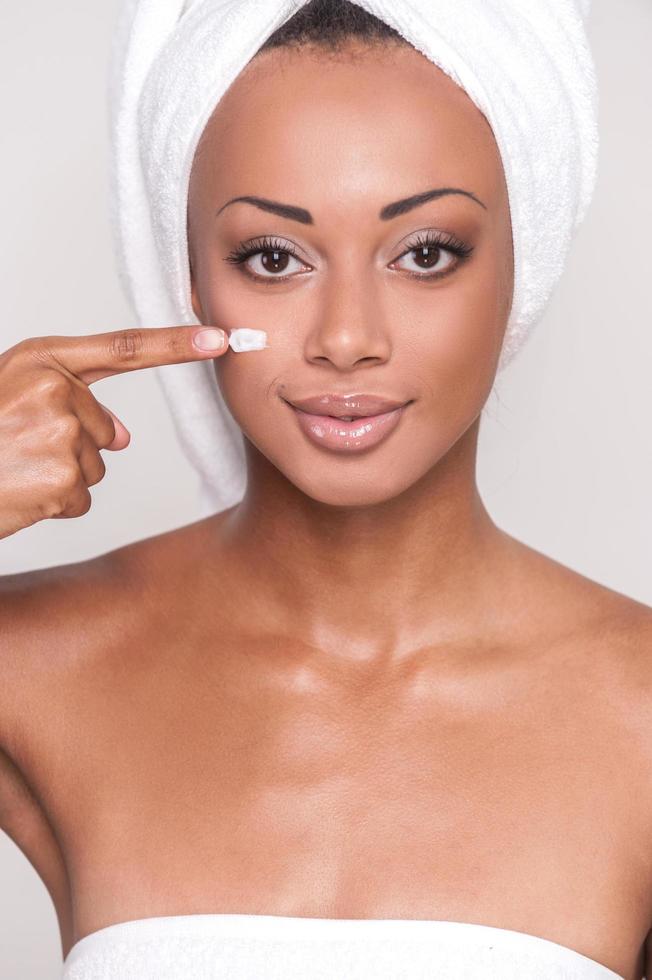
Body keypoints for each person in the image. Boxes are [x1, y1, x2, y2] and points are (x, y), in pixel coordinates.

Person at [0, 1, 650, 978]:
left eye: (426, 252)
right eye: (272, 257)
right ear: (189, 277)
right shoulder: (37, 668)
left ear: (529, 258)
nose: (346, 336)